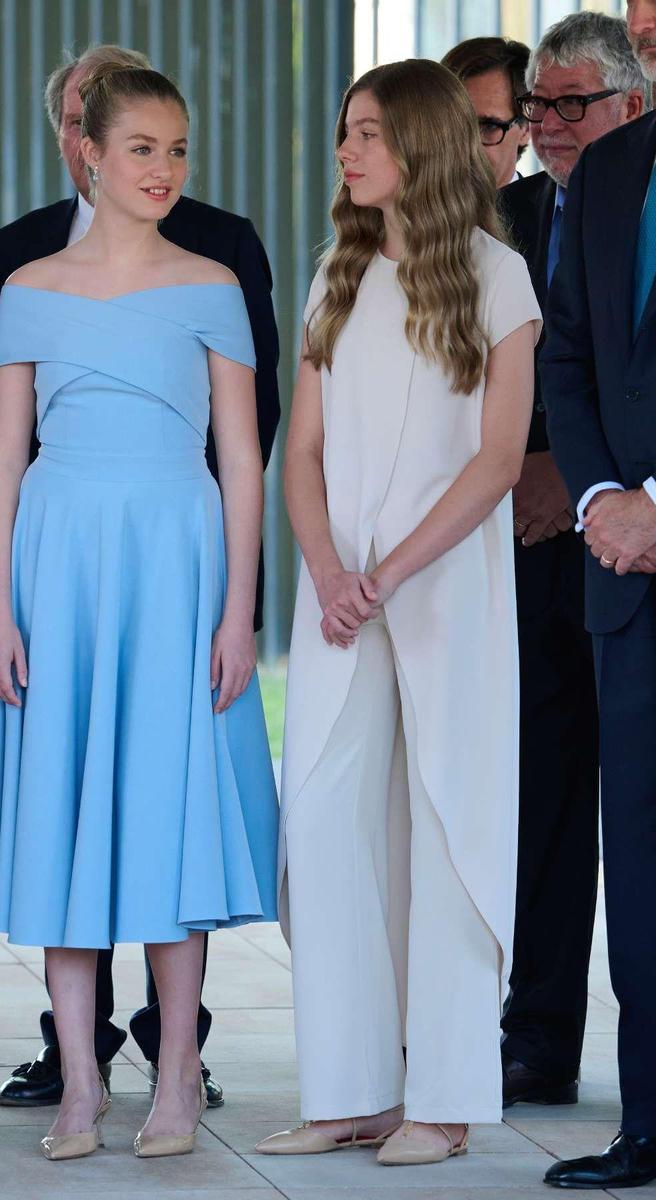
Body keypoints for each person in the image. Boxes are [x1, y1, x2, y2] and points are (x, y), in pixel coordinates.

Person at [0, 61, 279, 1163]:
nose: (164, 168)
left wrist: (236, 611)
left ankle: (179, 1069)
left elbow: (241, 459)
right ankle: (80, 1083)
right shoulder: (28, 286)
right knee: (63, 808)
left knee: (169, 805)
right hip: (60, 557)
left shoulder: (211, 281)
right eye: (141, 147)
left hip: (174, 555)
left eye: (177, 149)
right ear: (86, 149)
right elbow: (3, 457)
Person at [256, 59, 539, 1169]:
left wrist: (393, 570)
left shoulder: (498, 276)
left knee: (445, 820)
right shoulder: (338, 270)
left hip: (446, 592)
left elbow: (499, 460)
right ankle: (351, 1089)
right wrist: (330, 571)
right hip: (341, 600)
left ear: (417, 142)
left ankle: (446, 1095)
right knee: (325, 820)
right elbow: (305, 449)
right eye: (342, 133)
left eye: (365, 132)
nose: (345, 150)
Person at [498, 12, 647, 1112]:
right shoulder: (502, 214)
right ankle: (536, 1039)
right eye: (536, 105)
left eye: (570, 104)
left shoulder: (629, 189)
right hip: (535, 552)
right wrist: (552, 480)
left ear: (626, 103)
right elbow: (520, 360)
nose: (547, 125)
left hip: (609, 533)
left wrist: (587, 486)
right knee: (546, 802)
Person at [539, 0, 656, 1188]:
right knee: (638, 861)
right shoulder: (612, 169)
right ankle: (647, 1123)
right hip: (623, 573)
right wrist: (603, 500)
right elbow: (566, 352)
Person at [442, 36, 531, 187]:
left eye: (489, 126)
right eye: (452, 125)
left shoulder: (557, 209)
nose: (467, 148)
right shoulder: (399, 208)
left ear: (526, 129)